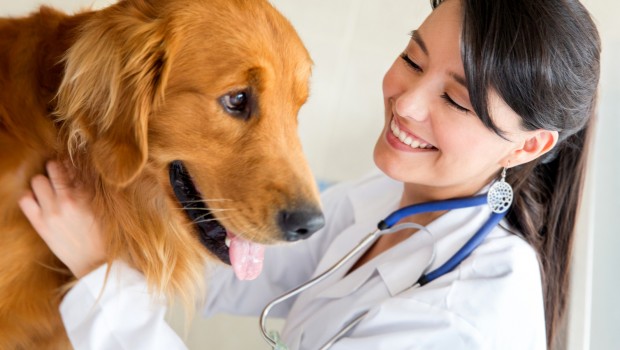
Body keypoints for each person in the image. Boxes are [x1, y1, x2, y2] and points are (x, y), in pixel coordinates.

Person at [18, 0, 600, 349]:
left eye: (456, 100)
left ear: (532, 144)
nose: (406, 104)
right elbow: (243, 273)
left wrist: (101, 277)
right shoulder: (392, 201)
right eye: (413, 59)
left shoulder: (460, 327)